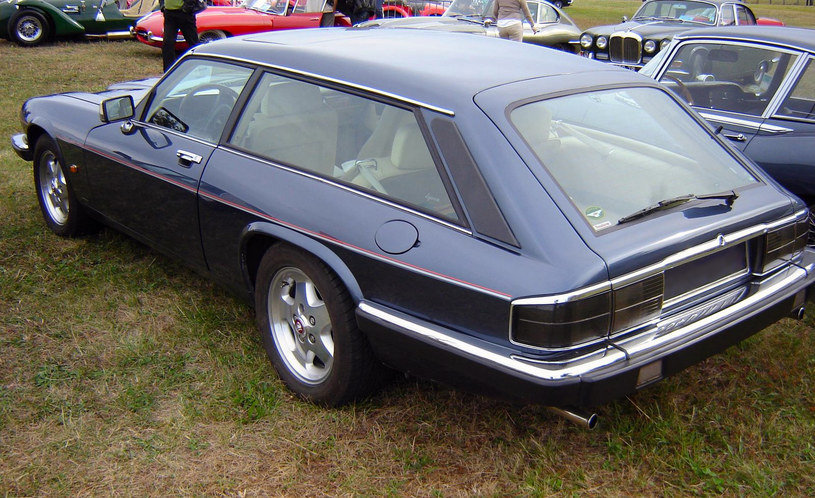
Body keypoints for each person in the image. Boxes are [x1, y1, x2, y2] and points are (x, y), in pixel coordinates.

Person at [160, 0, 200, 72]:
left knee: (193, 43)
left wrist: (187, 7)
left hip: (184, 14)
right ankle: (168, 72)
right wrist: (162, 6)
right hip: (169, 13)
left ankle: (199, 68)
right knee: (167, 43)